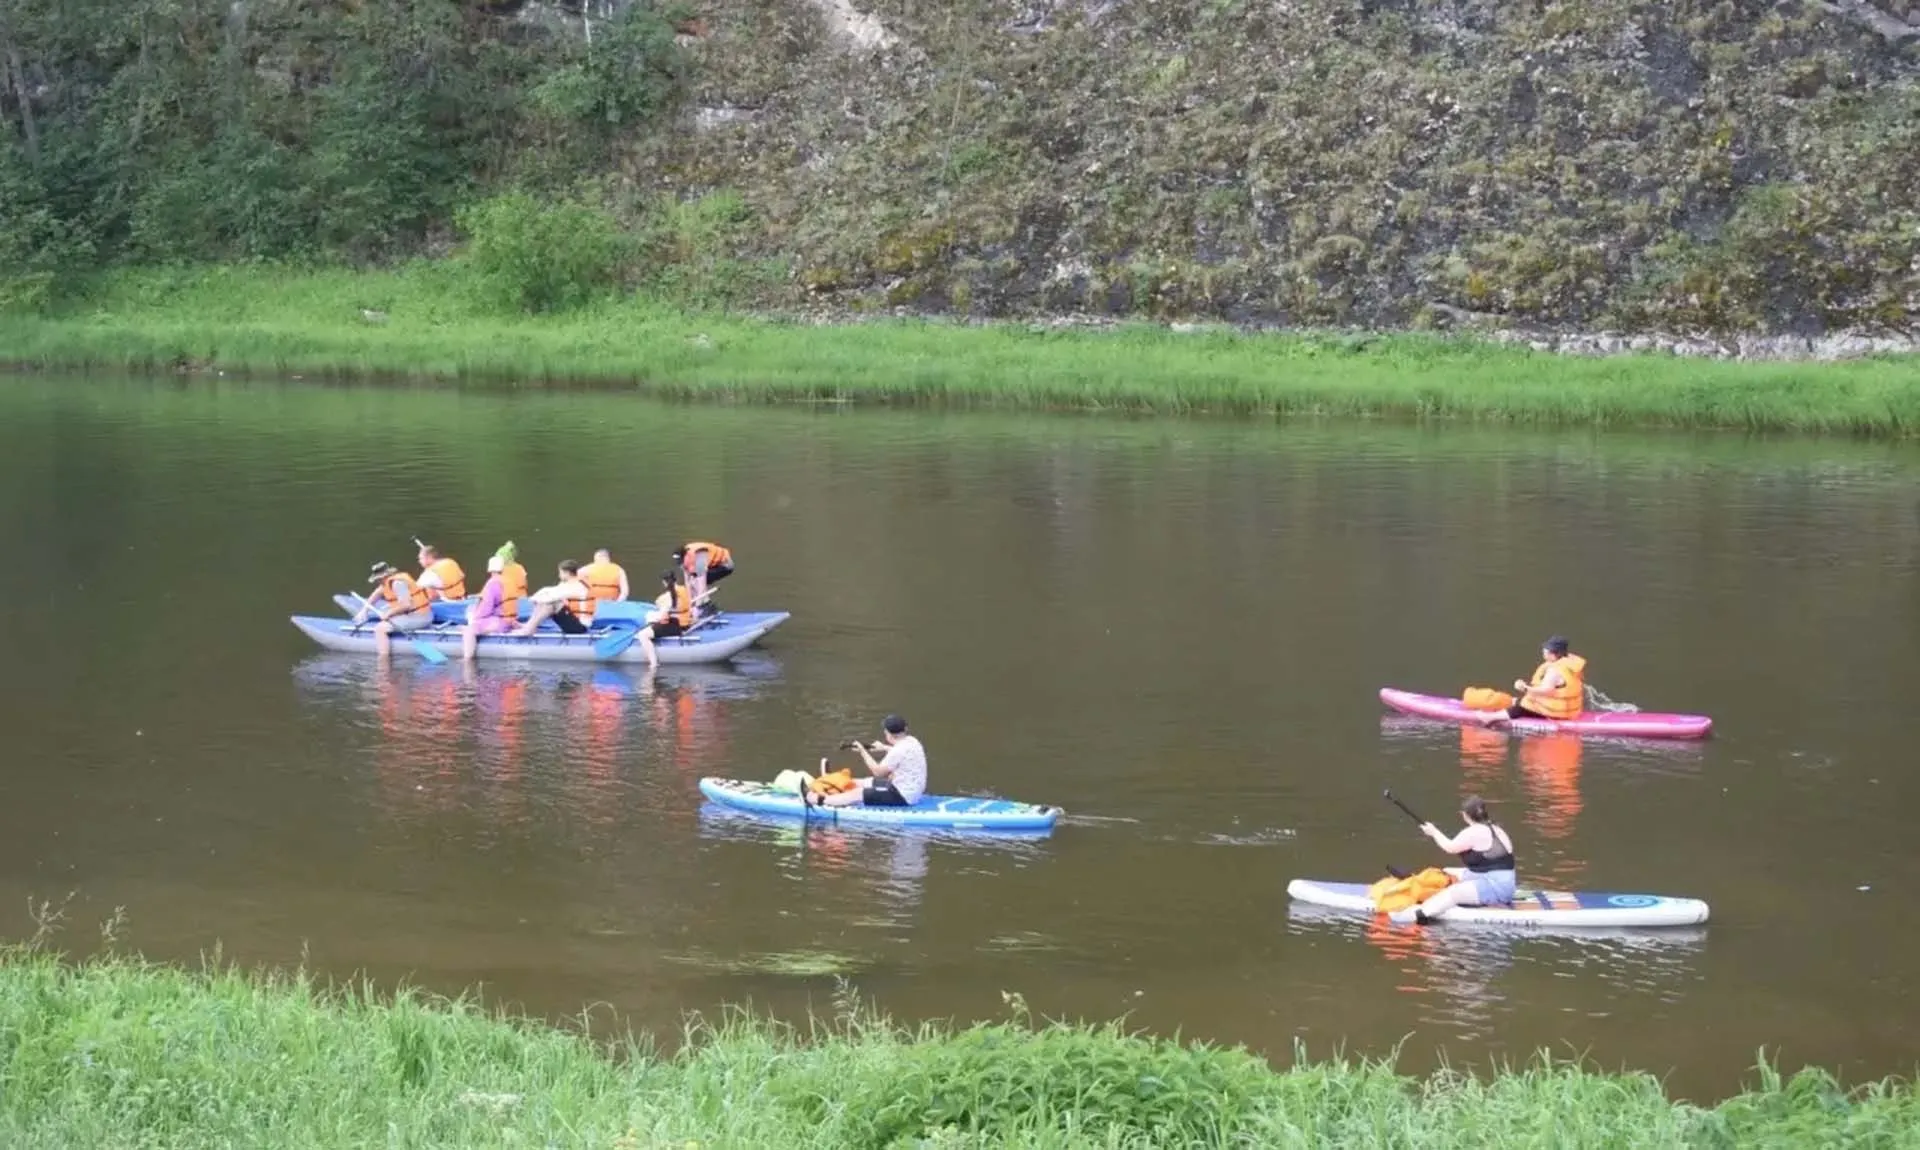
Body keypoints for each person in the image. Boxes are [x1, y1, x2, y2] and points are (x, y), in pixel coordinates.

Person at [1389, 794, 1516, 924]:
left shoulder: (1473, 832)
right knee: (1447, 871)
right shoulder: (1496, 829)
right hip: (1501, 881)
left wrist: (1434, 832)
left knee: (1454, 892)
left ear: (1465, 815)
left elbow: (1450, 847)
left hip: (1496, 887)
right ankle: (1424, 888)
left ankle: (1420, 913)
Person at [804, 714, 927, 808]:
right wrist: (884, 748)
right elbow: (902, 754)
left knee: (858, 793)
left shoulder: (898, 750)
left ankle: (815, 799)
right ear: (905, 729)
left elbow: (878, 772)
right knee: (861, 782)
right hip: (907, 790)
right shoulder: (912, 741)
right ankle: (832, 784)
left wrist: (863, 752)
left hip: (903, 796)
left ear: (887, 733)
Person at [1480, 635, 1586, 725]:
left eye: (1546, 650)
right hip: (1570, 711)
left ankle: (1490, 718)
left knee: (1522, 708)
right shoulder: (1569, 664)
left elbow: (1546, 690)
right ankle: (1505, 702)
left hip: (1556, 714)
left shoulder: (1554, 671)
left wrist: (1525, 688)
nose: (1543, 651)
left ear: (1553, 654)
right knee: (1521, 701)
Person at [354, 561, 433, 657]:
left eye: (377, 579)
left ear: (383, 577)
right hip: (415, 614)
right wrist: (364, 610)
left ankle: (383, 659)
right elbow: (376, 594)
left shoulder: (397, 583)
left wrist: (389, 613)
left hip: (420, 617)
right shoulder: (387, 582)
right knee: (385, 612)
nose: (376, 581)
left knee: (380, 628)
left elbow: (406, 605)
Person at [513, 560, 594, 636]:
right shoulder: (566, 584)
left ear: (567, 573)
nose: (559, 575)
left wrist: (534, 599)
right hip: (573, 622)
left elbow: (552, 597)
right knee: (545, 602)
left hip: (581, 626)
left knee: (551, 603)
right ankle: (529, 626)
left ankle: (529, 629)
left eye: (560, 573)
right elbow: (549, 590)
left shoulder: (578, 586)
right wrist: (537, 597)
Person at [636, 568, 694, 670]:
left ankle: (653, 664)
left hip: (676, 625)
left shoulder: (668, 596)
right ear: (675, 580)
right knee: (652, 618)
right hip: (682, 623)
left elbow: (660, 607)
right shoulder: (683, 590)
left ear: (664, 582)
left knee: (643, 635)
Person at [462, 553, 514, 660]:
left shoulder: (492, 583)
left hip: (500, 622)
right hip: (510, 620)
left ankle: (467, 660)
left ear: (489, 569)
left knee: (469, 631)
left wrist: (474, 619)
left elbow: (486, 609)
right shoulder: (508, 581)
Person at [672, 541, 733, 610]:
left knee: (696, 581)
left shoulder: (700, 555)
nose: (681, 564)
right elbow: (687, 582)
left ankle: (705, 605)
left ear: (686, 555)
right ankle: (702, 605)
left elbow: (702, 583)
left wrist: (698, 605)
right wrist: (690, 602)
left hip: (725, 565)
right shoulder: (684, 560)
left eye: (682, 561)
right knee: (692, 580)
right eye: (679, 561)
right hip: (710, 565)